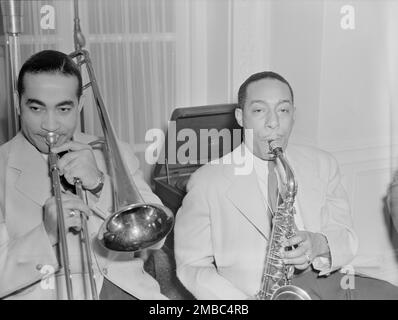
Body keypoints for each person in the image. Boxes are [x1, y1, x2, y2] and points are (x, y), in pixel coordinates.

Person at [174, 71, 398, 300]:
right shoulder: (207, 181)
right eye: (259, 111)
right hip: (257, 293)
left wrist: (318, 243)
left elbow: (346, 236)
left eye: (283, 110)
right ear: (241, 117)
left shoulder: (323, 164)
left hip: (329, 278)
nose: (273, 123)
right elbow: (192, 265)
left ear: (293, 115)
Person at [0, 50, 168, 300]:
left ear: (80, 104)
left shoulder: (112, 151)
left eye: (64, 109)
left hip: (128, 291)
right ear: (18, 103)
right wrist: (46, 234)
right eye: (36, 108)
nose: (50, 124)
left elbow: (156, 238)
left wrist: (100, 184)